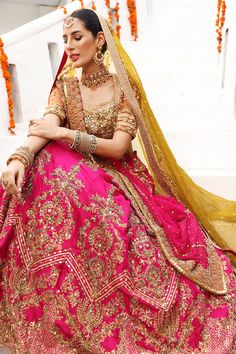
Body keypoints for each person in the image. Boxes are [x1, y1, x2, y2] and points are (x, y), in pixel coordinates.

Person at [0, 8, 235, 353]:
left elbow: (117, 148)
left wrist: (64, 132)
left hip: (117, 175)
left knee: (66, 169)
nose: (70, 46)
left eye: (77, 37)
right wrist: (18, 157)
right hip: (79, 174)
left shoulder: (124, 89)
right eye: (66, 39)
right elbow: (47, 125)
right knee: (44, 162)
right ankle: (44, 296)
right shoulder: (66, 87)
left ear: (99, 41)